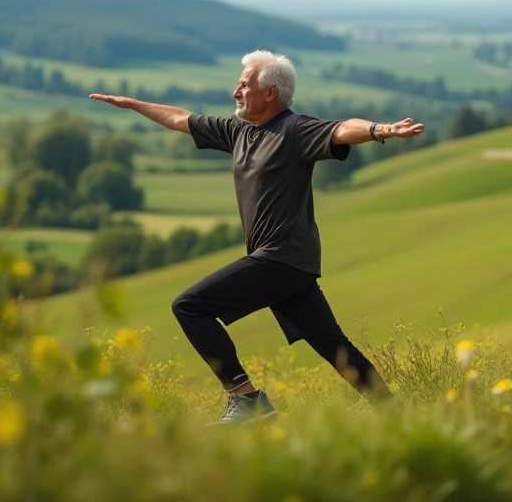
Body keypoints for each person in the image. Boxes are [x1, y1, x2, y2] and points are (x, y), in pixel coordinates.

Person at [90, 50, 424, 423]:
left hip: (280, 257)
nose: (236, 91)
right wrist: (134, 104)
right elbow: (181, 119)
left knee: (189, 306)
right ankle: (397, 415)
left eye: (245, 85)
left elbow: (341, 129)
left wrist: (380, 130)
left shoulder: (294, 130)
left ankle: (245, 398)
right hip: (290, 264)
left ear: (270, 93)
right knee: (335, 347)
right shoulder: (238, 131)